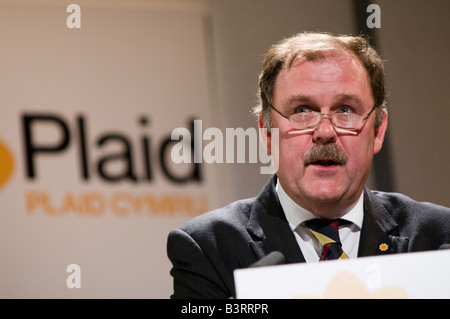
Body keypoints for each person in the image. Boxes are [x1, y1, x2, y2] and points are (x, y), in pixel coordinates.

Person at [166, 32, 450, 299]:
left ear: (377, 131)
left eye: (345, 110)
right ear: (267, 132)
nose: (325, 132)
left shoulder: (439, 239)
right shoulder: (210, 248)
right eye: (302, 110)